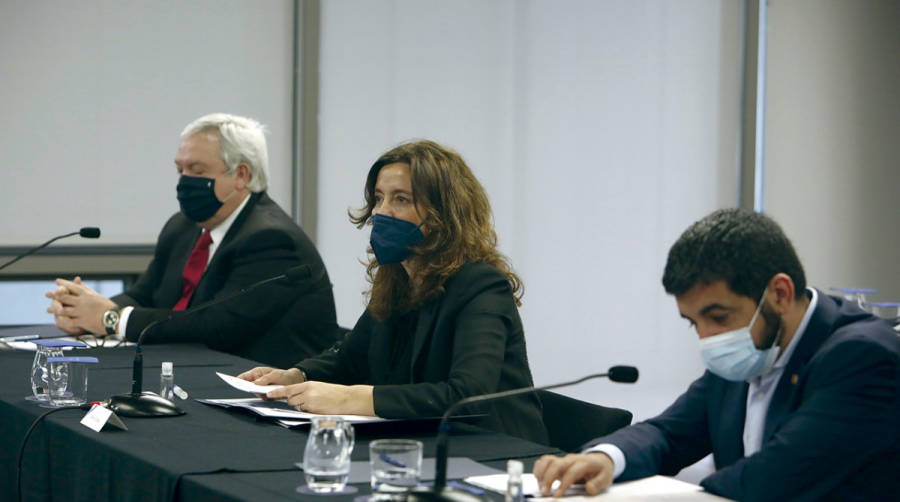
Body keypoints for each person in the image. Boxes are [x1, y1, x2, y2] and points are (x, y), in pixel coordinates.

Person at [534, 208, 899, 502]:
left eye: (718, 317)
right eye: (693, 323)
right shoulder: (750, 350)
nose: (707, 338)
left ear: (780, 295)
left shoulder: (863, 358)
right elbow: (669, 434)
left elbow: (766, 483)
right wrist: (605, 458)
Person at [239, 139, 548, 443]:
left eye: (400, 199)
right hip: (422, 441)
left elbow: (468, 394)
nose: (380, 212)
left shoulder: (481, 286)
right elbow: (350, 358)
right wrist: (298, 375)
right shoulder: (398, 279)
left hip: (496, 451)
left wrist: (350, 399)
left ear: (443, 213)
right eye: (378, 198)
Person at [45, 113, 339, 368]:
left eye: (197, 172)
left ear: (241, 175)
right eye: (180, 170)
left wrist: (111, 320)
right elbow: (146, 294)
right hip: (192, 373)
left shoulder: (272, 240)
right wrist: (83, 309)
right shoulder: (183, 226)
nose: (184, 181)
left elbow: (214, 326)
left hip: (268, 394)